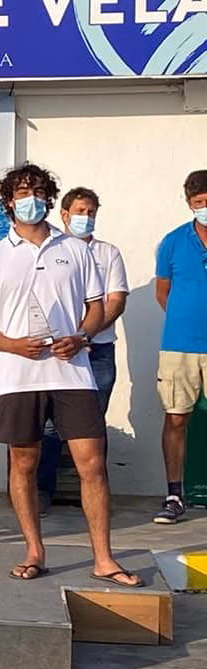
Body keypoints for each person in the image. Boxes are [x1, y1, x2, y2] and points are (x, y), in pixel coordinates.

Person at [0, 162, 142, 587]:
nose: (33, 200)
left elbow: (96, 308)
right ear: (9, 201)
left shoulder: (78, 250)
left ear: (49, 199)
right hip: (17, 377)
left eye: (40, 192)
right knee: (23, 464)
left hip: (72, 374)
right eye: (24, 192)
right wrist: (11, 345)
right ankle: (34, 551)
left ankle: (103, 558)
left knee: (91, 464)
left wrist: (81, 336)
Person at [34, 188, 128, 514]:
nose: (85, 217)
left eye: (90, 212)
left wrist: (85, 332)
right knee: (47, 427)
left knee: (91, 425)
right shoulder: (51, 250)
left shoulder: (108, 253)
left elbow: (114, 301)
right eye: (79, 210)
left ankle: (91, 495)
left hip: (97, 352)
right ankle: (42, 492)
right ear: (63, 213)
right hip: (56, 352)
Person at [153, 169, 207, 524]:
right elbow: (163, 291)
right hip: (179, 346)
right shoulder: (172, 241)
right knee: (176, 418)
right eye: (199, 202)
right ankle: (175, 495)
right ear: (189, 204)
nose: (205, 207)